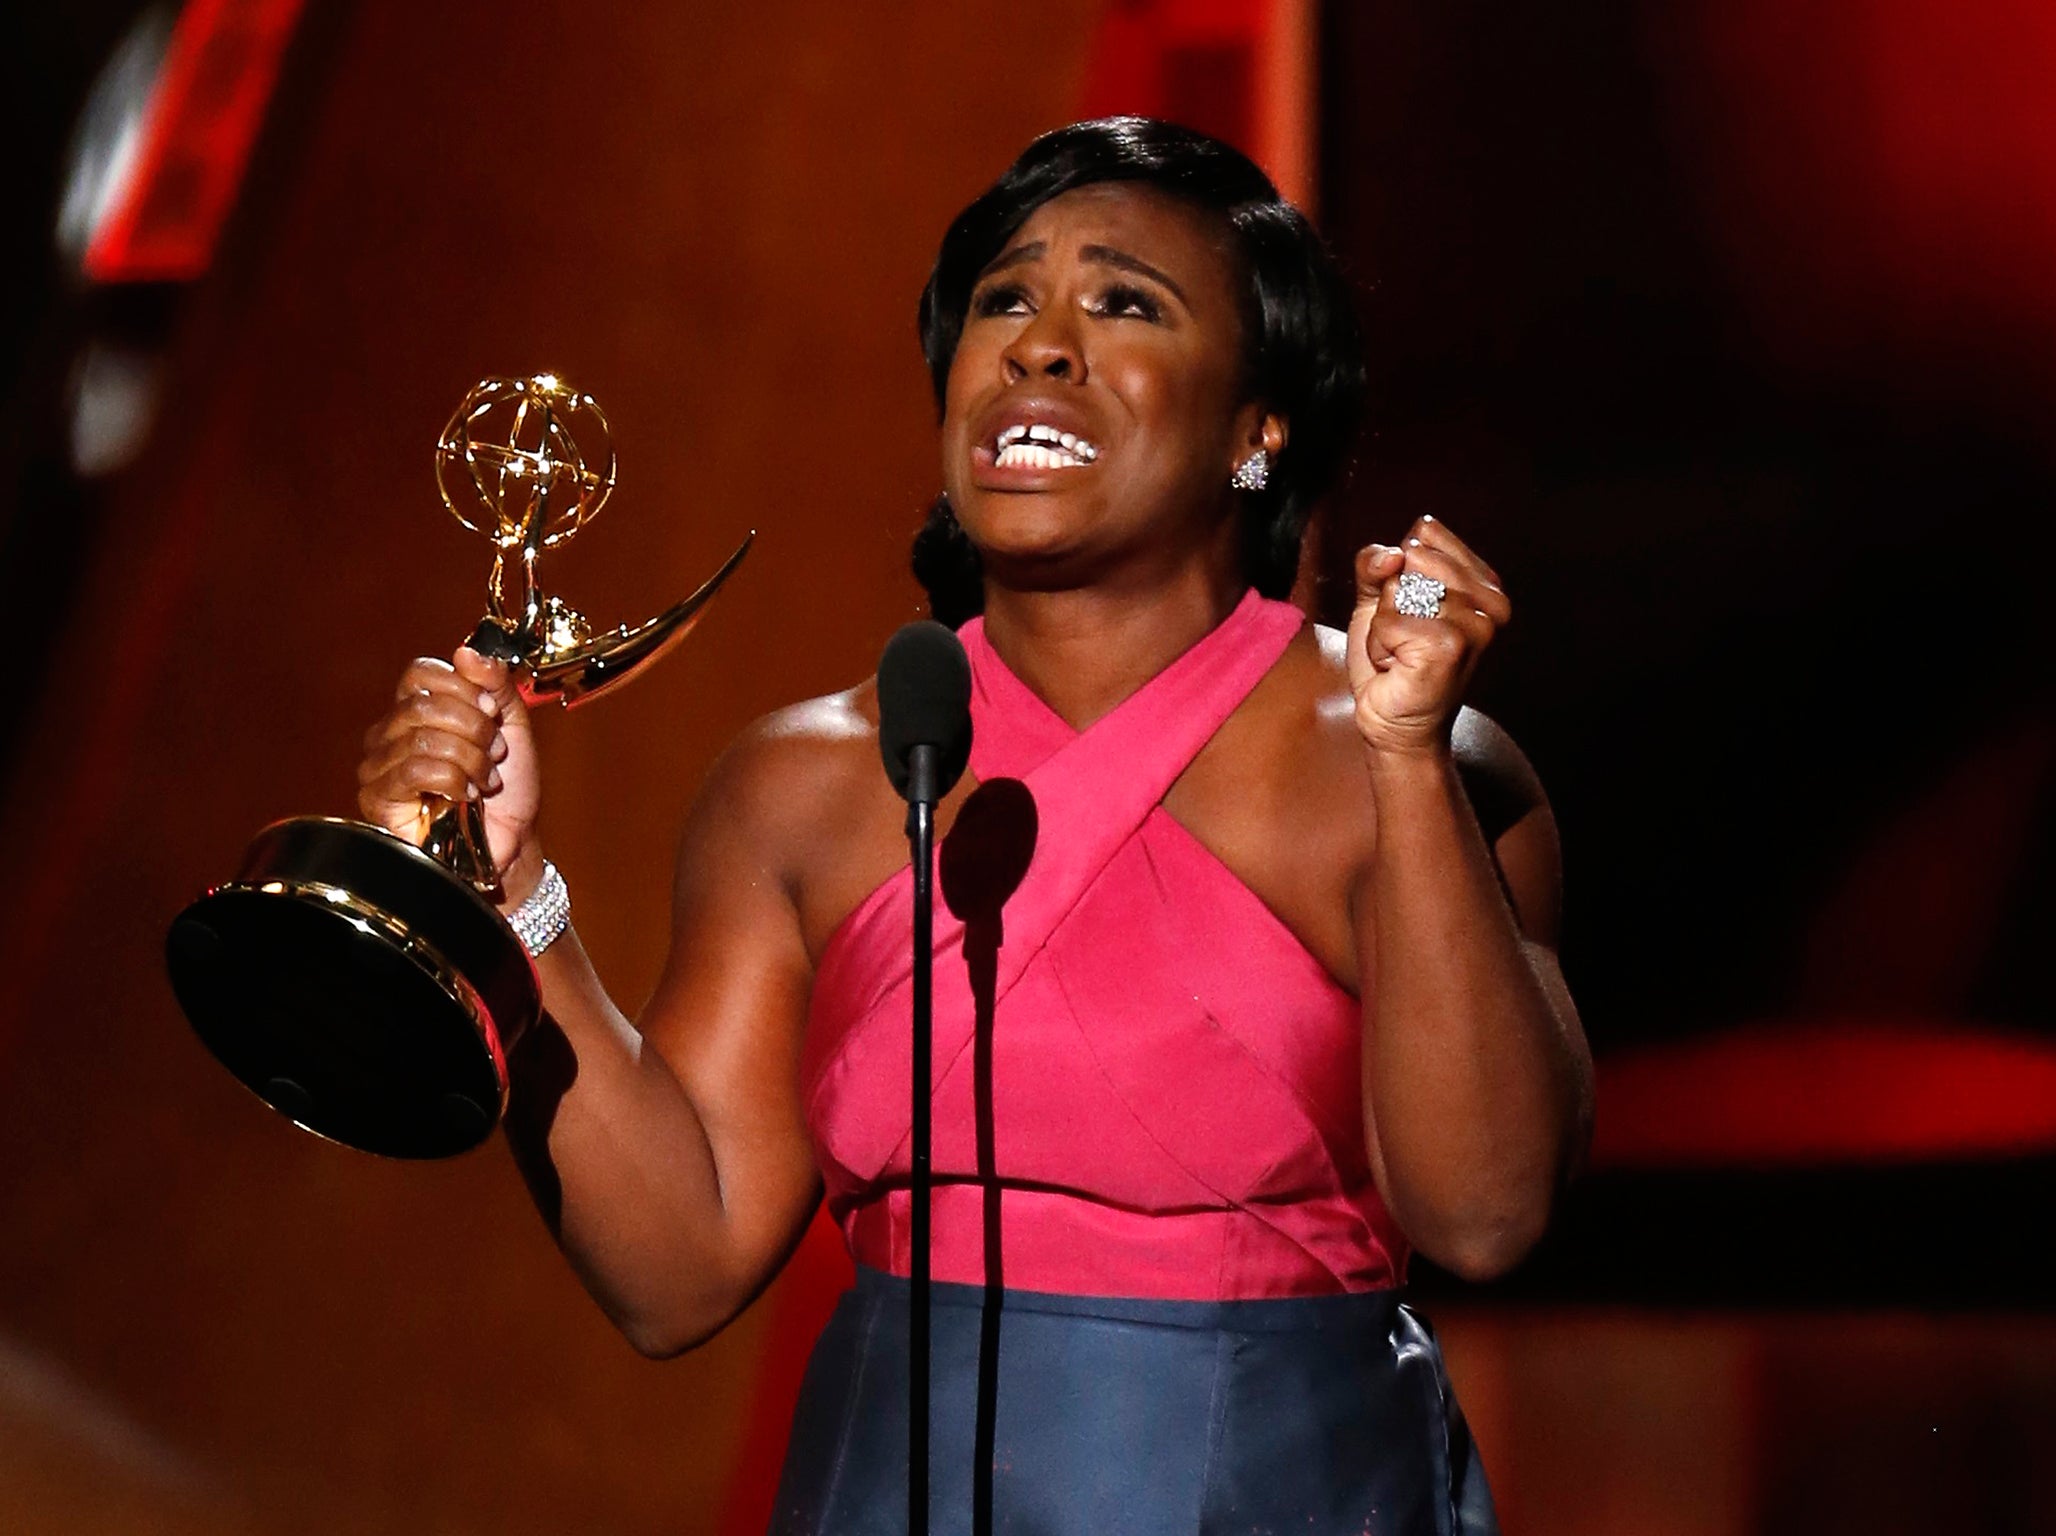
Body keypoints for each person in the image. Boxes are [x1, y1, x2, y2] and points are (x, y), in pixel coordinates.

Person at [355, 117, 1591, 1535]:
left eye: (1125, 302)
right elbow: (675, 1271)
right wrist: (509, 893)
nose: (1040, 344)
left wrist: (1406, 759)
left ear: (1263, 426)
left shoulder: (1418, 766)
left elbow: (1487, 1215)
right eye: (1006, 299)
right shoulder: (803, 785)